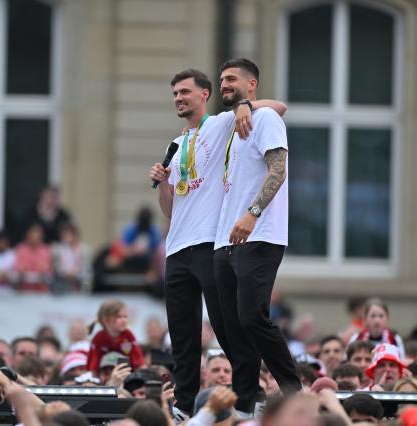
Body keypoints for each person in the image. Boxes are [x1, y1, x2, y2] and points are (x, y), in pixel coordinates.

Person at [148, 68, 286, 416]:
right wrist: (163, 182)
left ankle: (248, 395)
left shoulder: (221, 123)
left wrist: (246, 107)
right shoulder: (176, 145)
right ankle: (182, 404)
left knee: (228, 328)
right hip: (177, 247)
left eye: (185, 92)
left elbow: (279, 106)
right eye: (175, 94)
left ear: (204, 94)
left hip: (211, 241)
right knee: (182, 333)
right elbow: (169, 209)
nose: (179, 98)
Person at [212, 58, 301, 415]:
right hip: (224, 240)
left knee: (252, 317)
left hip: (259, 233)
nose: (224, 85)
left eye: (231, 79)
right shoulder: (233, 124)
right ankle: (245, 406)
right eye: (221, 80)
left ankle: (295, 392)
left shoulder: (265, 118)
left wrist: (253, 213)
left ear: (252, 85)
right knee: (230, 331)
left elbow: (277, 171)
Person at [86, 299, 145, 373]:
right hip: (104, 379)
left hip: (127, 376)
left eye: (125, 317)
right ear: (105, 320)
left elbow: (139, 363)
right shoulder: (98, 338)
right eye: (119, 317)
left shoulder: (128, 336)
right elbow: (93, 368)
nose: (124, 320)